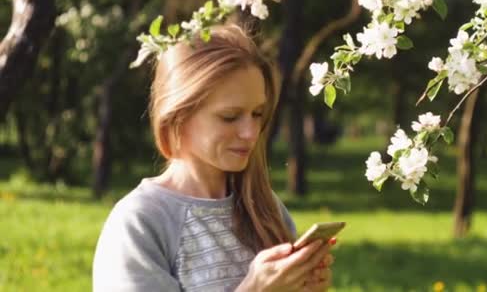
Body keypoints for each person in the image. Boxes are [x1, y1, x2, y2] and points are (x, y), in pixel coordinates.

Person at [92, 24, 335, 291]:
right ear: (178, 117)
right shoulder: (141, 222)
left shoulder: (267, 210)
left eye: (257, 114)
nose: (251, 133)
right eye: (229, 117)